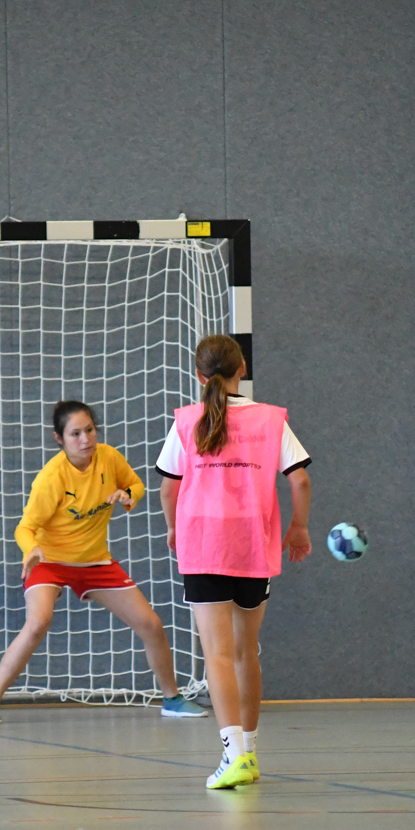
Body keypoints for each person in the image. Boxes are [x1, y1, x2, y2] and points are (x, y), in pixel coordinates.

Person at [0, 400, 208, 726]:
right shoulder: (51, 478)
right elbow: (24, 528)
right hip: (49, 560)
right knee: (38, 623)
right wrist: (32, 548)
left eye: (89, 430)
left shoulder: (109, 458)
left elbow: (136, 485)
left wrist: (128, 495)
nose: (85, 439)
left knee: (151, 624)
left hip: (95, 562)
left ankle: (172, 699)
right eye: (75, 434)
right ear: (59, 438)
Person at [157, 335, 312, 789]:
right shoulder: (271, 419)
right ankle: (251, 751)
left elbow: (168, 489)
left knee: (218, 654)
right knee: (246, 652)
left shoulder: (188, 420)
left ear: (199, 375)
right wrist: (299, 528)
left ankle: (233, 755)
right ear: (242, 367)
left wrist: (173, 528)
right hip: (252, 544)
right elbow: (300, 481)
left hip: (205, 544)